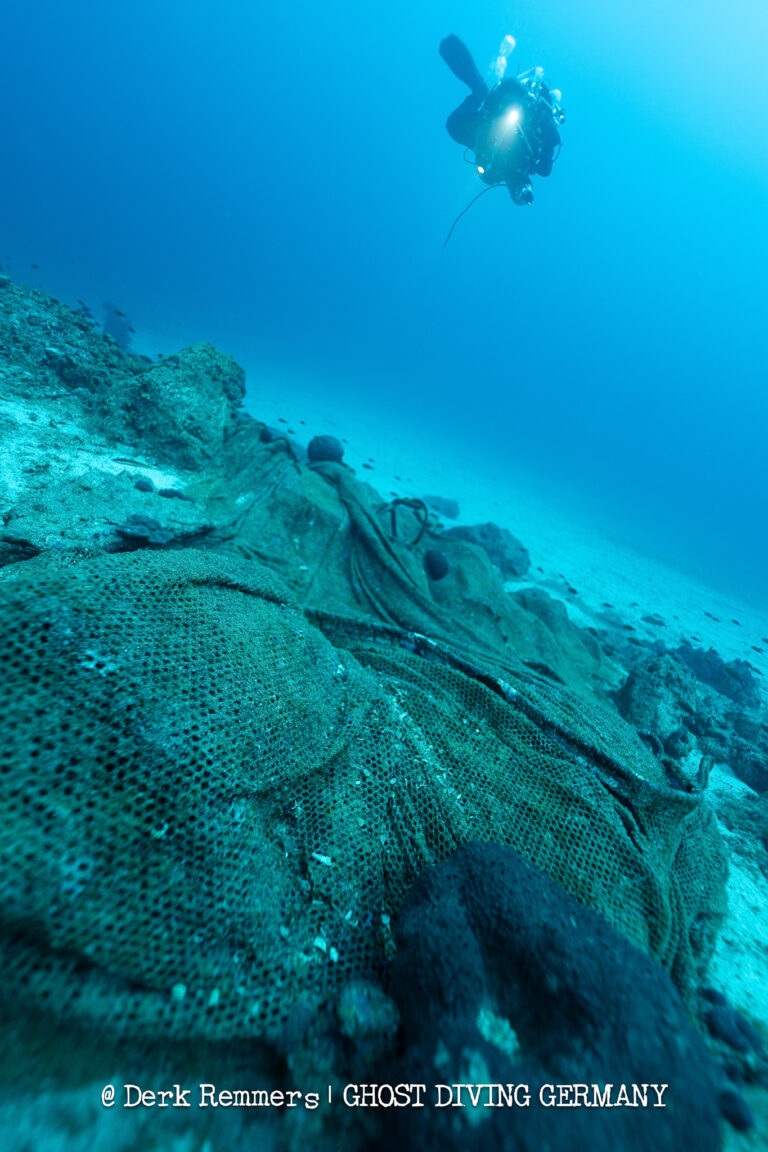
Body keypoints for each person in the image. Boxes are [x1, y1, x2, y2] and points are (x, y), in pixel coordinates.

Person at [439, 34, 563, 205]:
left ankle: (479, 91)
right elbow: (553, 140)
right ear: (529, 184)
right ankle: (484, 91)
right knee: (502, 91)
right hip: (504, 108)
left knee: (453, 125)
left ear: (511, 192)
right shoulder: (535, 160)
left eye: (517, 193)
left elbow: (482, 168)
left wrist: (483, 163)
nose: (519, 188)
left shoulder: (495, 173)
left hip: (486, 123)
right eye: (524, 190)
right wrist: (541, 120)